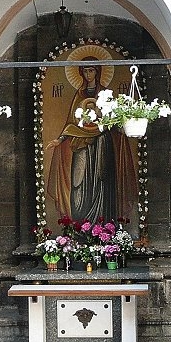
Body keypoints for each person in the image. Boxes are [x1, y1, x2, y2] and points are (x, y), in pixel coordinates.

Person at [46, 60, 136, 223]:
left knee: (102, 181)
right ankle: (80, 225)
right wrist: (60, 140)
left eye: (91, 71)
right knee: (78, 181)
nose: (88, 74)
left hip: (102, 143)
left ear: (97, 72)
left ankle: (104, 225)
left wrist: (122, 127)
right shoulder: (79, 95)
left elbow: (113, 119)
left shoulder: (105, 93)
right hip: (81, 145)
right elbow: (71, 122)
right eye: (85, 71)